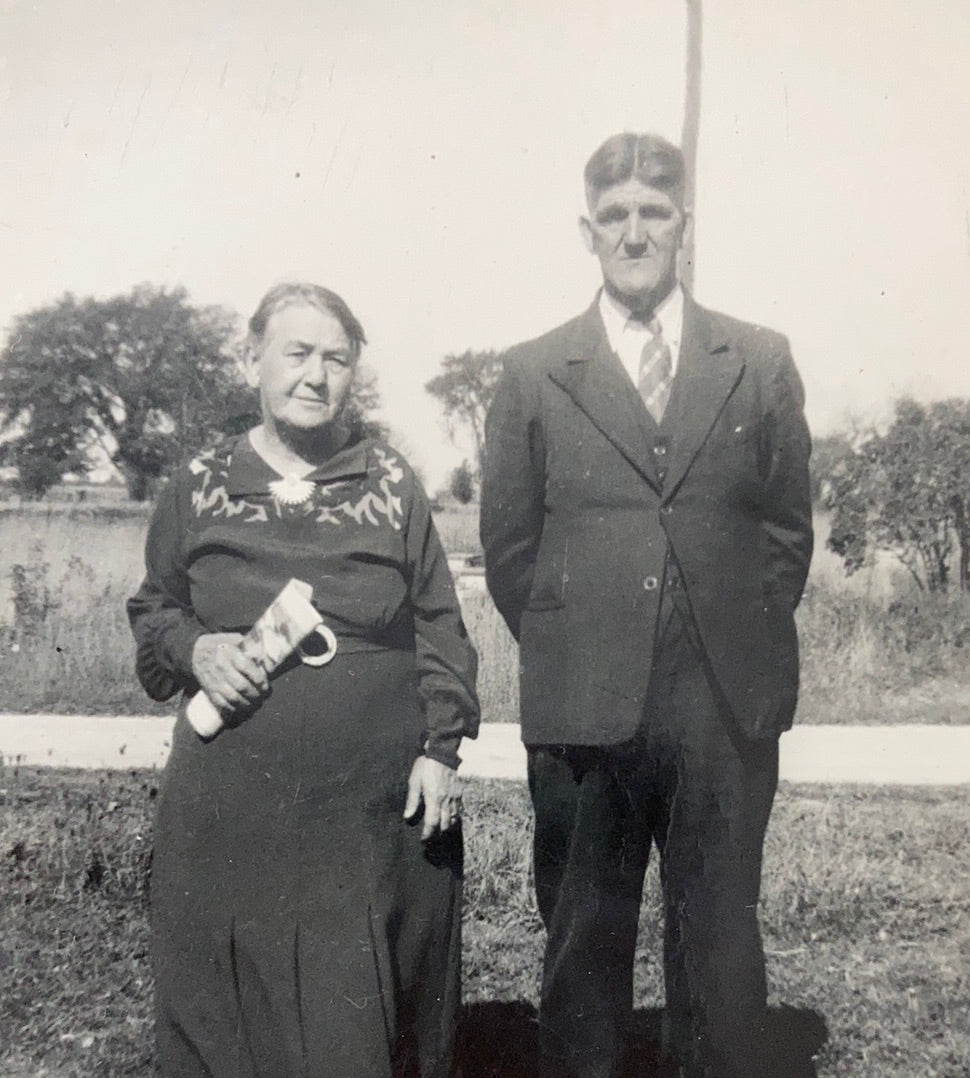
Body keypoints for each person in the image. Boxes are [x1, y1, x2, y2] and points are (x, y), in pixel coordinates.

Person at [480, 133, 813, 1078]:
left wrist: (730, 635)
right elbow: (510, 551)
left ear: (686, 228)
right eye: (616, 215)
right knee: (584, 938)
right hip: (586, 701)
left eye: (654, 214)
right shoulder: (534, 370)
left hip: (722, 699)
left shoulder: (755, 357)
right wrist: (581, 638)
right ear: (587, 231)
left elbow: (787, 531)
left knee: (718, 940)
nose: (635, 232)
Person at [128, 282, 479, 1078]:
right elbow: (153, 609)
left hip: (367, 809)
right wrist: (197, 651)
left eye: (337, 358)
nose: (317, 375)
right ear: (251, 359)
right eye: (298, 353)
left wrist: (442, 748)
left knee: (356, 1005)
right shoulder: (198, 483)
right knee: (228, 1005)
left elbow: (439, 624)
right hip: (230, 801)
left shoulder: (390, 484)